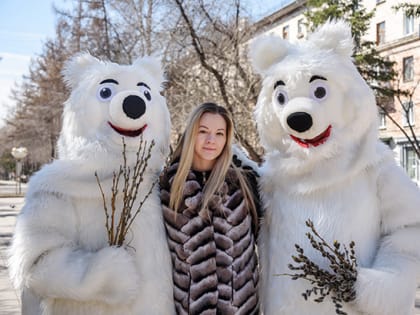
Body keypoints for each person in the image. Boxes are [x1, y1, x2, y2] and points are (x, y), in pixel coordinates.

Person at [160, 102, 261, 315]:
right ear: (191, 133)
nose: (210, 140)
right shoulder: (168, 187)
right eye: (203, 131)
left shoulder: (242, 183)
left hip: (241, 308)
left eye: (219, 133)